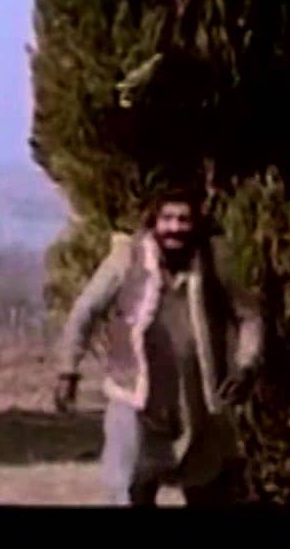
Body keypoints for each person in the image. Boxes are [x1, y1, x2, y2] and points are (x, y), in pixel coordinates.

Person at [53, 185, 264, 506]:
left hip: (199, 403)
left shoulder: (214, 260)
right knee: (130, 489)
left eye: (183, 219)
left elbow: (249, 316)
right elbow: (85, 311)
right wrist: (68, 370)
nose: (174, 228)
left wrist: (246, 365)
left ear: (196, 224)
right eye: (167, 218)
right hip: (135, 401)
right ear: (154, 221)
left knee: (209, 490)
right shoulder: (127, 258)